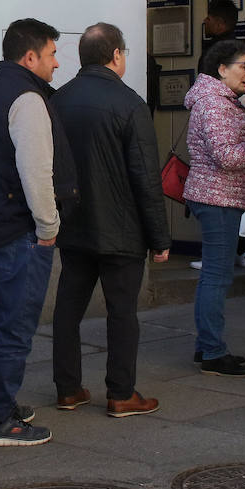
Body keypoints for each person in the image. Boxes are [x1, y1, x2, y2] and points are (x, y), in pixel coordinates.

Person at [0, 18, 75, 445]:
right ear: (29, 57)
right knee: (14, 325)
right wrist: (49, 226)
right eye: (51, 54)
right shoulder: (26, 99)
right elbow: (36, 172)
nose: (56, 63)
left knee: (2, 319)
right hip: (17, 230)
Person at [50, 23, 170, 417]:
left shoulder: (58, 100)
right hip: (121, 228)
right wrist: (160, 237)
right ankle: (121, 393)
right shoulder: (130, 103)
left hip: (74, 223)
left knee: (68, 307)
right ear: (116, 54)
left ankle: (67, 388)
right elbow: (145, 177)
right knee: (122, 312)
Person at [182, 39, 245, 377]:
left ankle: (207, 348)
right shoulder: (213, 103)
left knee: (216, 275)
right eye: (243, 66)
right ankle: (214, 353)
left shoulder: (221, 99)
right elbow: (228, 156)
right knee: (217, 276)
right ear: (221, 69)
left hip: (222, 196)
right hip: (217, 197)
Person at [196, 0, 239, 76]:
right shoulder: (241, 50)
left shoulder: (214, 52)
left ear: (219, 24)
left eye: (208, 18)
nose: (205, 21)